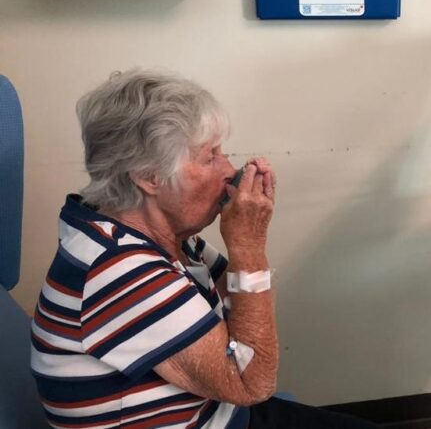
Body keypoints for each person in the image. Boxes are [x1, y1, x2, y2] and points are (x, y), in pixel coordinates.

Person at [30, 69, 377, 429]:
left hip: (222, 415)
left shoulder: (166, 239)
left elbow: (241, 307)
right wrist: (248, 245)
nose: (229, 170)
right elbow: (250, 381)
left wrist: (247, 243)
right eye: (209, 157)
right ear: (149, 176)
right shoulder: (119, 269)